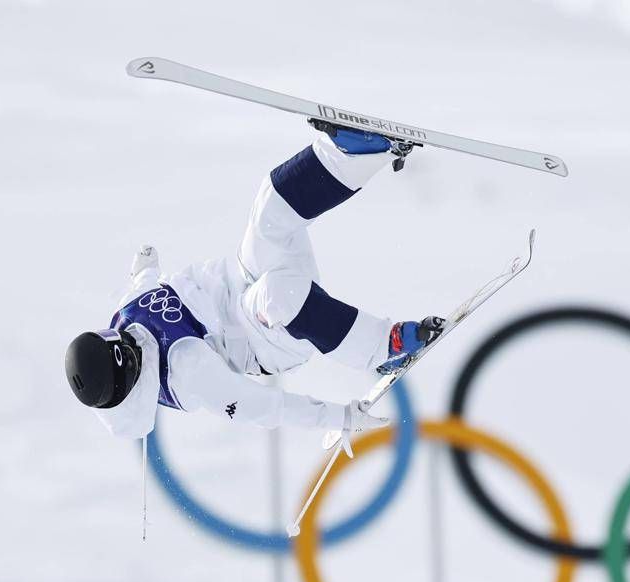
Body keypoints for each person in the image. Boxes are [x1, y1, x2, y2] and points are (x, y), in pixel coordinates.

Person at [64, 123, 443, 444]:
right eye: (131, 358)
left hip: (243, 275)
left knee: (271, 206)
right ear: (129, 380)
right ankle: (382, 349)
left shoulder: (124, 317)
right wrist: (338, 419)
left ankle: (357, 153)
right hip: (267, 342)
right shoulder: (186, 372)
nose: (136, 343)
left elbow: (142, 285)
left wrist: (144, 267)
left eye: (125, 341)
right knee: (277, 296)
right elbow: (263, 408)